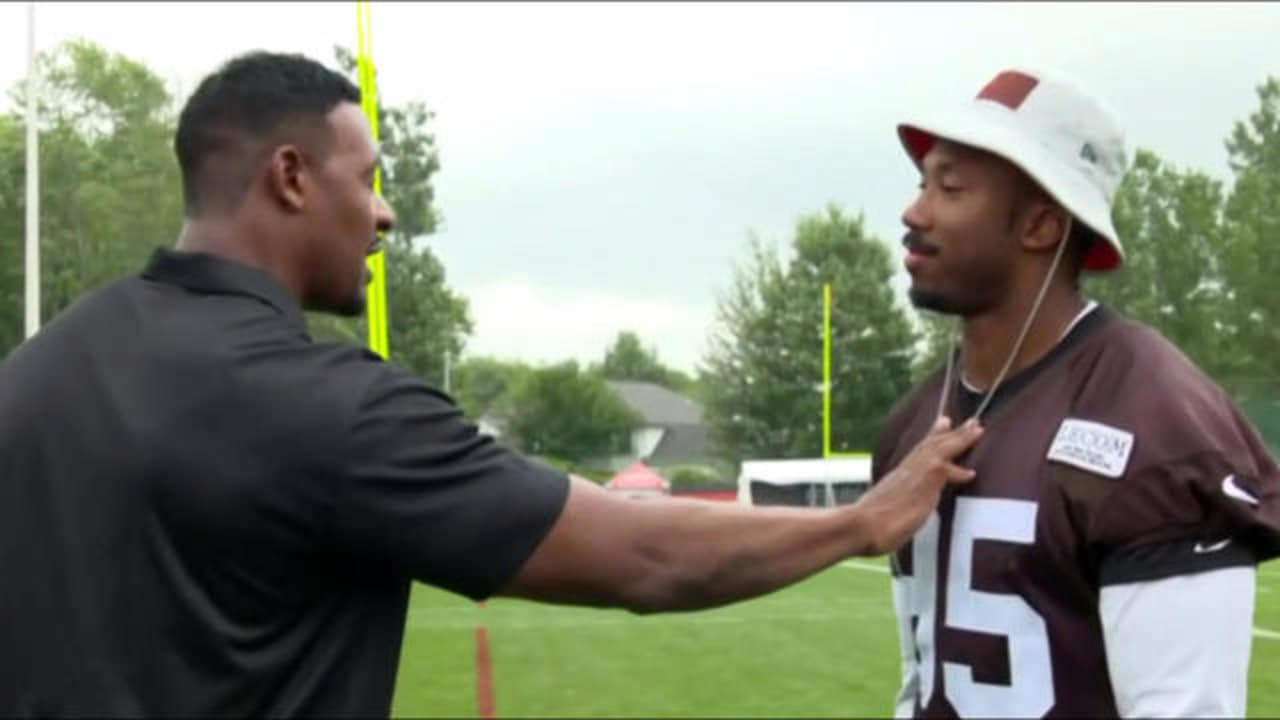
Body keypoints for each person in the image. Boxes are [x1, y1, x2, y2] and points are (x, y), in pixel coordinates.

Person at [0, 51, 984, 718]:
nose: (384, 216)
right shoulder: (326, 406)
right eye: (369, 178)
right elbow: (643, 557)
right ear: (292, 177)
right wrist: (861, 522)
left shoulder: (33, 373)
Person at [875, 66, 1280, 718]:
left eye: (950, 188)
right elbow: (920, 683)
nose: (913, 211)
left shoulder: (1159, 422)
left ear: (1041, 226)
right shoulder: (914, 422)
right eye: (923, 182)